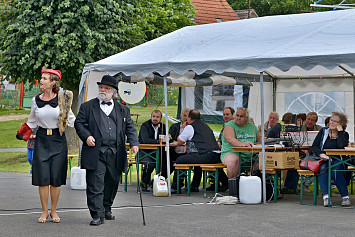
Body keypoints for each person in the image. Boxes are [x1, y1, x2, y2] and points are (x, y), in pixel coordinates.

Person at [75, 75, 139, 225]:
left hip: (116, 152)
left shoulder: (123, 109)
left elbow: (130, 127)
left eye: (106, 88)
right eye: (101, 87)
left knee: (112, 181)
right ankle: (97, 214)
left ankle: (107, 207)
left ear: (113, 92)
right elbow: (79, 124)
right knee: (95, 184)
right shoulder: (87, 106)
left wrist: (134, 143)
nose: (103, 90)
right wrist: (87, 136)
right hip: (96, 152)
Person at [27, 69, 75, 223]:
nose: (41, 81)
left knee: (55, 178)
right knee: (42, 178)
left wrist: (87, 129)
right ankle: (44, 211)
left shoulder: (63, 99)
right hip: (41, 140)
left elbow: (72, 120)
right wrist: (23, 133)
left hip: (58, 140)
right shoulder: (35, 100)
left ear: (53, 82)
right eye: (41, 78)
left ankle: (54, 211)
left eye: (45, 78)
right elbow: (32, 121)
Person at [171, 109, 227, 193]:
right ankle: (225, 183)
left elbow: (180, 141)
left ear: (189, 118)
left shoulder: (190, 127)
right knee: (195, 159)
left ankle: (176, 186)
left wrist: (183, 129)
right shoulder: (205, 126)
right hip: (216, 155)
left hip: (205, 154)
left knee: (180, 160)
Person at [311, 112, 351, 207]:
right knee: (323, 168)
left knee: (336, 170)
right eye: (331, 120)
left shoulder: (344, 134)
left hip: (339, 160)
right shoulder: (323, 131)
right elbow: (315, 146)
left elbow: (341, 147)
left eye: (335, 121)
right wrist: (322, 154)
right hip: (324, 159)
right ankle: (326, 197)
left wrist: (340, 132)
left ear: (341, 124)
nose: (331, 122)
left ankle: (345, 198)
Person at [221, 107, 261, 179]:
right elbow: (231, 139)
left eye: (241, 116)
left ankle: (265, 186)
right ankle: (234, 187)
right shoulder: (229, 126)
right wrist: (244, 144)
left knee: (266, 159)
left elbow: (259, 140)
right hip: (231, 153)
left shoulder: (253, 127)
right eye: (237, 115)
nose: (238, 118)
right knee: (233, 160)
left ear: (246, 117)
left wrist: (266, 140)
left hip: (251, 157)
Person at [138, 110, 169, 192]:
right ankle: (144, 182)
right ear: (151, 117)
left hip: (158, 152)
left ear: (161, 118)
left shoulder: (163, 127)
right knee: (150, 164)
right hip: (144, 152)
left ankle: (155, 182)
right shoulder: (145, 126)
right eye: (154, 116)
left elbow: (167, 139)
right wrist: (160, 141)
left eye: (157, 117)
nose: (155, 118)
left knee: (167, 163)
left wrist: (169, 138)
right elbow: (146, 140)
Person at [169, 108, 190, 173]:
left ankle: (179, 181)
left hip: (187, 153)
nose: (186, 118)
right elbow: (170, 139)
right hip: (174, 151)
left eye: (188, 116)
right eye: (184, 116)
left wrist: (184, 129)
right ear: (181, 116)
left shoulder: (192, 128)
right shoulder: (174, 126)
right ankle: (161, 177)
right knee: (164, 156)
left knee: (181, 161)